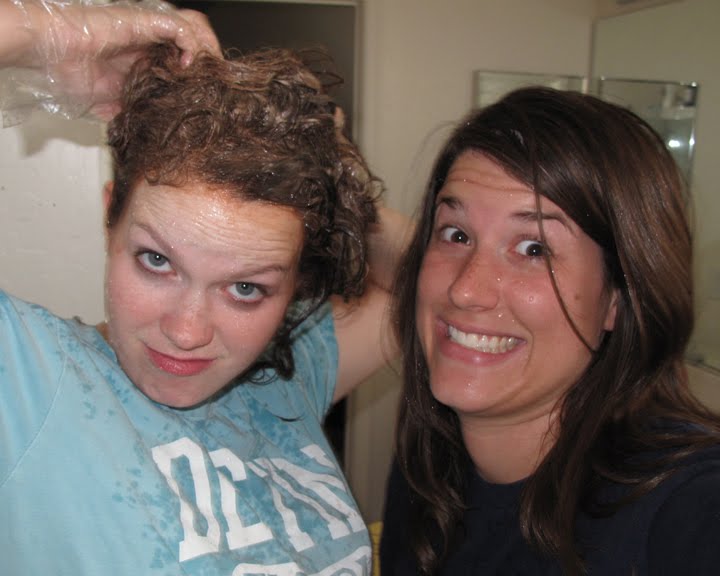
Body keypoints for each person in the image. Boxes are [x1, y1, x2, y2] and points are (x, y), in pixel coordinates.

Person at [0, 2, 400, 574]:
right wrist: (53, 32)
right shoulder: (25, 380)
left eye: (246, 289)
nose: (187, 333)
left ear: (295, 280)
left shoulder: (284, 379)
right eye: (157, 260)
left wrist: (337, 187)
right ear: (111, 219)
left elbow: (436, 289)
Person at [380, 87, 720, 575]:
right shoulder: (430, 471)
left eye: (533, 249)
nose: (466, 290)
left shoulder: (688, 506)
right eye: (456, 234)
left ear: (619, 299)